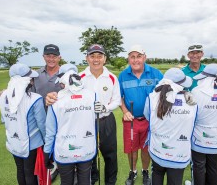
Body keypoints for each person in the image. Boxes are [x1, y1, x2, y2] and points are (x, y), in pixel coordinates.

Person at [45, 44, 121, 185]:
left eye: (99, 56)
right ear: (87, 58)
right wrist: (52, 96)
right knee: (88, 155)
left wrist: (105, 107)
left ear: (105, 58)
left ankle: (110, 182)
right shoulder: (80, 77)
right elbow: (65, 95)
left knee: (110, 156)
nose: (96, 59)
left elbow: (117, 99)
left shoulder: (111, 78)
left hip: (106, 120)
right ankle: (92, 180)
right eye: (92, 56)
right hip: (86, 122)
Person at [43, 64, 97, 185]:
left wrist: (47, 154)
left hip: (64, 151)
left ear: (62, 81)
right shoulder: (92, 95)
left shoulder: (55, 100)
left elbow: (50, 132)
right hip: (86, 149)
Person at [143, 68, 197, 185]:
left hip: (157, 150)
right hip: (179, 154)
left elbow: (148, 116)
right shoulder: (191, 100)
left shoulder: (152, 97)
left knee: (157, 174)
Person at [119, 44, 163, 185]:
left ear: (144, 57)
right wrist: (125, 111)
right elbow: (119, 97)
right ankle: (133, 172)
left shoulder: (156, 74)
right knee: (131, 149)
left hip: (150, 120)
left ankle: (145, 171)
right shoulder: (123, 76)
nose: (135, 60)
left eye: (139, 56)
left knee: (146, 149)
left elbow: (166, 92)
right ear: (128, 59)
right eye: (132, 57)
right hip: (130, 120)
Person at [0, 63, 46, 185]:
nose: (32, 81)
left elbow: (4, 119)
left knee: (20, 170)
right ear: (27, 81)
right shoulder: (35, 98)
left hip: (13, 142)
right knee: (29, 172)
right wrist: (47, 141)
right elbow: (42, 124)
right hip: (31, 143)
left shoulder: (3, 96)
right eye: (31, 79)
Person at [31, 43, 61, 180]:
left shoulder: (66, 74)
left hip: (62, 118)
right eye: (48, 56)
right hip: (41, 118)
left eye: (54, 56)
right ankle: (51, 167)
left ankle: (61, 165)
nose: (51, 59)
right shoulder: (35, 75)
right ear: (43, 57)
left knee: (61, 143)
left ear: (59, 57)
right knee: (46, 145)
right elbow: (28, 96)